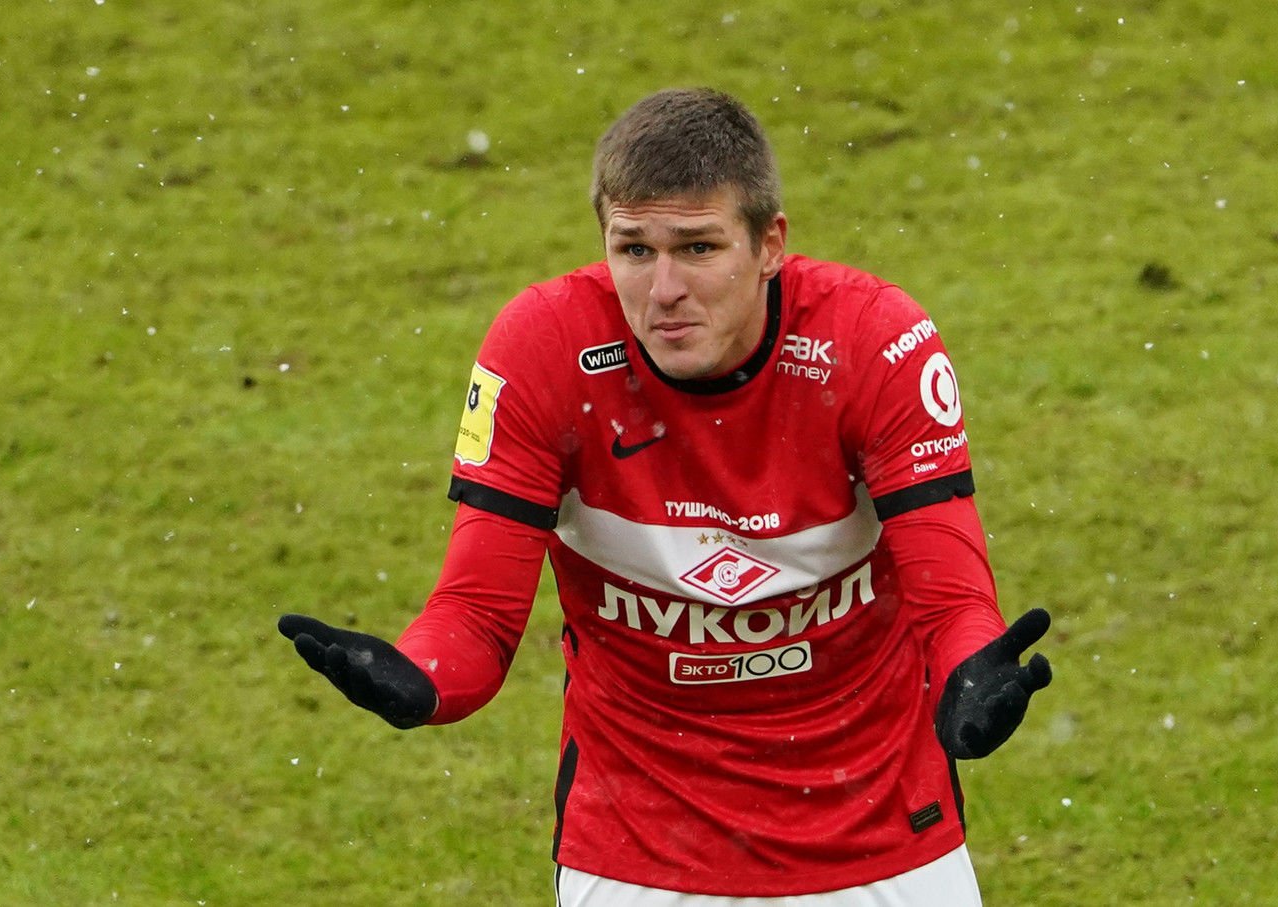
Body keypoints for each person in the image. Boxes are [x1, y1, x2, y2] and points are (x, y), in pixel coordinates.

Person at [278, 87, 1052, 906]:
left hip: (883, 833)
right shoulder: (542, 346)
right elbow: (476, 615)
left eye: (698, 246)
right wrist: (422, 680)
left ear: (770, 244)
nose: (664, 288)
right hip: (637, 851)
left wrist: (972, 670)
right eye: (635, 249)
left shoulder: (875, 341)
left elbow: (952, 599)